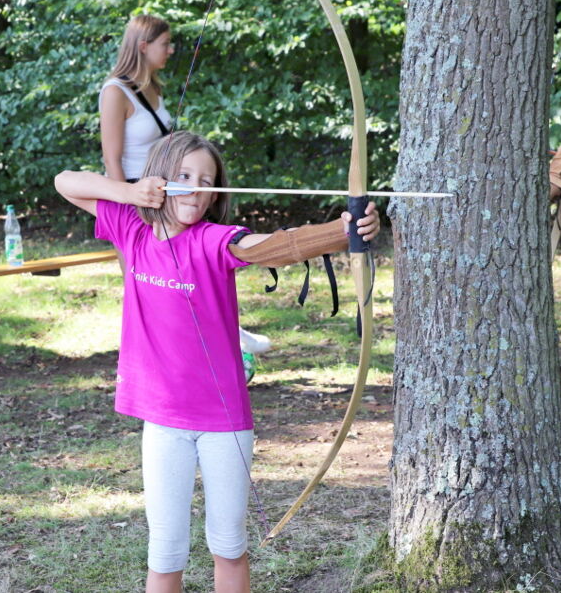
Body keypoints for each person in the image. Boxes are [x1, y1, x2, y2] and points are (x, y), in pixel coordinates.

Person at [55, 131, 380, 593]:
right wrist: (130, 191)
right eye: (184, 176)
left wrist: (343, 231)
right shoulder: (131, 228)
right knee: (166, 551)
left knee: (228, 546)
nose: (196, 187)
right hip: (163, 420)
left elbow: (269, 247)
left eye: (207, 180)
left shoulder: (215, 240)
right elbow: (65, 181)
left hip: (224, 422)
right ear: (159, 178)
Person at [99, 14, 270, 355]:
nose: (172, 49)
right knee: (145, 283)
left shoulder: (153, 88)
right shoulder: (115, 92)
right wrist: (127, 205)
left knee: (194, 267)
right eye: (166, 43)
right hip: (135, 197)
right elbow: (111, 158)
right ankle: (155, 351)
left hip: (166, 193)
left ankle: (217, 333)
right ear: (143, 46)